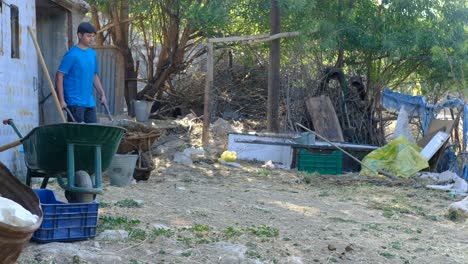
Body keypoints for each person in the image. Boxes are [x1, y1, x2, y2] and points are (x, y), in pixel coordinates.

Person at [55, 22, 107, 123]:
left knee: (92, 131)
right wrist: (61, 100)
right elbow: (59, 76)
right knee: (77, 133)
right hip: (74, 102)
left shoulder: (92, 54)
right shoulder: (72, 54)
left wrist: (102, 93)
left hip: (89, 101)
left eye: (93, 36)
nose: (91, 39)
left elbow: (94, 75)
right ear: (79, 35)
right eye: (88, 36)